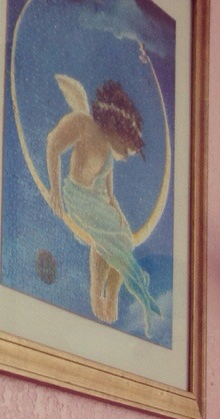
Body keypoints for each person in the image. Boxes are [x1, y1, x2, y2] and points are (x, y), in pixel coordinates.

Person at [46, 77, 160, 336]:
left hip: (99, 203)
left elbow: (109, 194)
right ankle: (96, 293)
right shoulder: (84, 124)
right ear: (118, 127)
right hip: (77, 197)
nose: (127, 152)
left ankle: (113, 295)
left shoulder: (109, 151)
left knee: (124, 238)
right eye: (127, 143)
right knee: (107, 236)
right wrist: (55, 190)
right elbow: (53, 145)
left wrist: (119, 215)